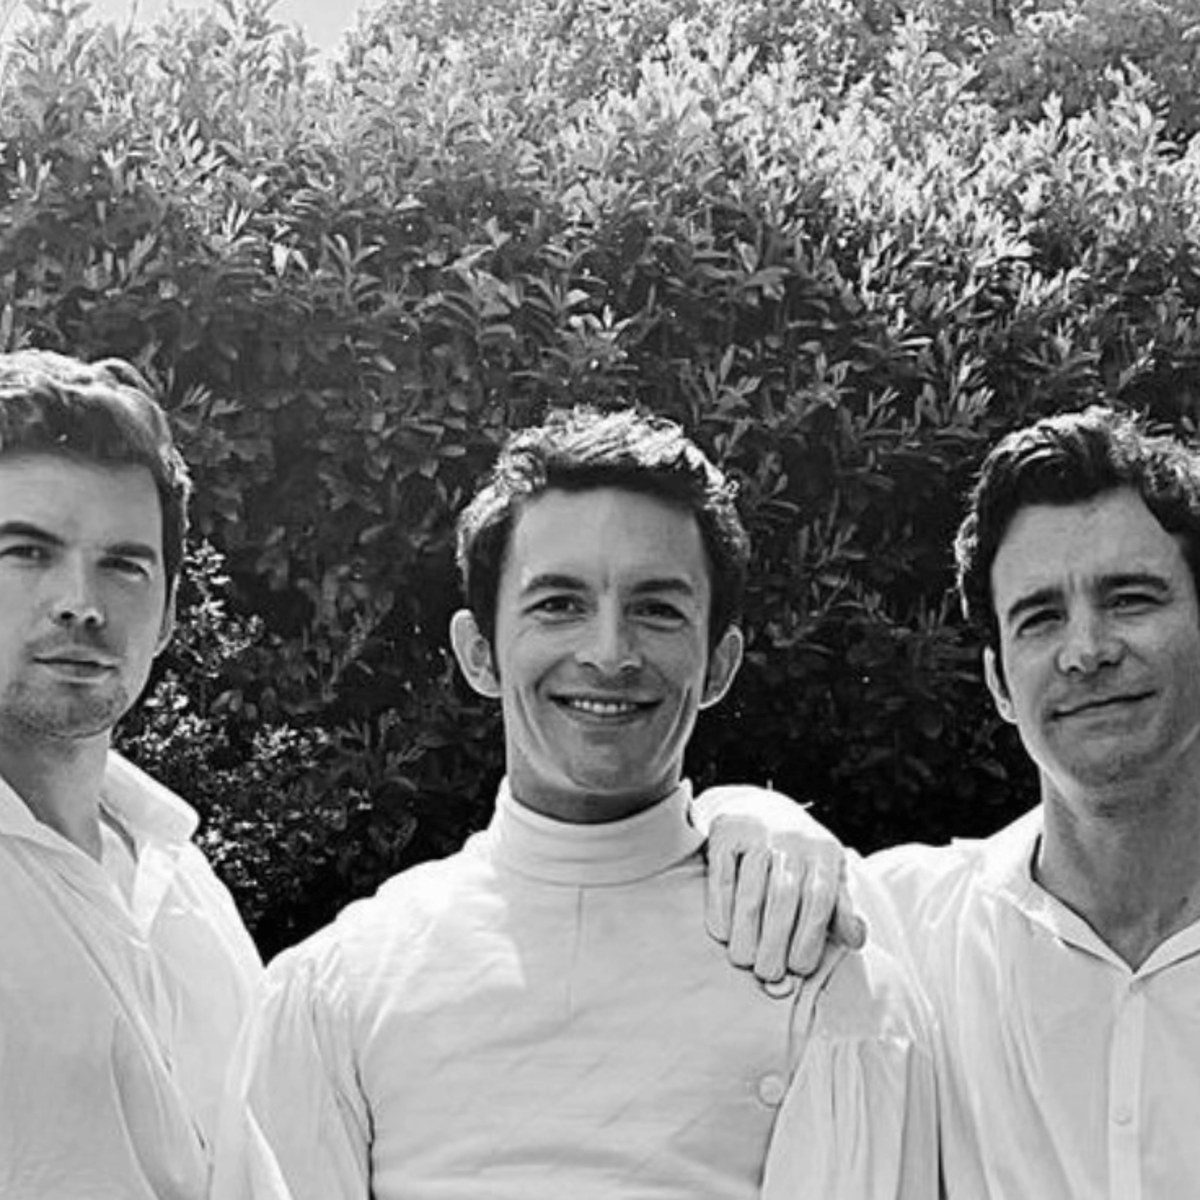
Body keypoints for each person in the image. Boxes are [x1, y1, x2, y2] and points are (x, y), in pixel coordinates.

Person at [213, 406, 937, 1200]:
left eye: (657, 609)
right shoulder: (341, 987)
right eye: (558, 603)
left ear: (720, 664)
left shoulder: (820, 980)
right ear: (479, 652)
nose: (608, 653)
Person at [722, 404, 1200, 1197]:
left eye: (1131, 599)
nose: (1086, 650)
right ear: (998, 683)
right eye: (1040, 618)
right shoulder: (901, 931)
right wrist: (748, 813)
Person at [0, 350, 262, 1200]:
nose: (81, 602)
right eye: (26, 552)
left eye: (124, 564)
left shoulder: (181, 877)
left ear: (171, 613)